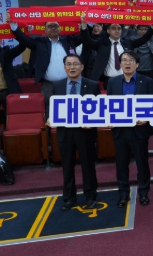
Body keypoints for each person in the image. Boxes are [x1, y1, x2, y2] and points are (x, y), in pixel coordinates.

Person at [106, 50, 153, 208]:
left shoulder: (146, 81)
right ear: (120, 64)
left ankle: (144, 193)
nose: (127, 63)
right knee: (121, 165)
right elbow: (108, 106)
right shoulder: (113, 82)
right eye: (124, 60)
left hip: (139, 130)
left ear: (137, 64)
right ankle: (123, 194)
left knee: (142, 163)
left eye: (131, 60)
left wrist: (147, 119)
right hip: (120, 131)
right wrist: (109, 119)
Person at [50, 53, 100, 210]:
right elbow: (52, 107)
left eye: (75, 64)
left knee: (88, 165)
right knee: (67, 166)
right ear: (64, 68)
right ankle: (69, 198)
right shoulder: (57, 86)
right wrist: (50, 118)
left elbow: (99, 110)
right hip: (65, 132)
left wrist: (92, 122)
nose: (72, 67)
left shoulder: (92, 85)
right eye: (68, 64)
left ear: (82, 67)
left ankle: (90, 196)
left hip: (85, 132)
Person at [9, 14, 82, 104]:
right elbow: (23, 39)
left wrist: (85, 25)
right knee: (50, 110)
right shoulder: (39, 43)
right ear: (45, 29)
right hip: (49, 86)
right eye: (50, 26)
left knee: (72, 108)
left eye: (55, 26)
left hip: (70, 83)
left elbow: (83, 37)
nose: (53, 28)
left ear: (60, 28)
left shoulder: (69, 40)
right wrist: (13, 24)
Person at [79, 18, 153, 86]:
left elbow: (143, 39)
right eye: (113, 28)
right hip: (109, 80)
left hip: (127, 79)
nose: (117, 31)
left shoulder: (127, 42)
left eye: (119, 28)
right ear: (108, 31)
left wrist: (152, 27)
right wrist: (84, 26)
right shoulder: (102, 44)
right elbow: (88, 41)